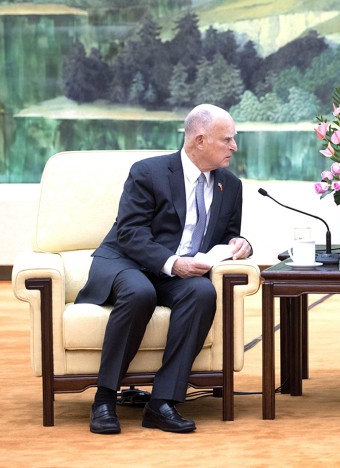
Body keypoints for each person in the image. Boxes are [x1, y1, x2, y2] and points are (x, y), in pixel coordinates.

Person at [75, 104, 252, 434]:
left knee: (202, 292)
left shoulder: (231, 185)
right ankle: (104, 398)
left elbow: (228, 235)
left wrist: (240, 244)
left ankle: (162, 403)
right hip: (127, 261)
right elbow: (130, 233)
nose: (234, 147)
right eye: (227, 139)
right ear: (199, 140)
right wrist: (173, 263)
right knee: (140, 292)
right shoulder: (148, 172)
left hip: (179, 273)